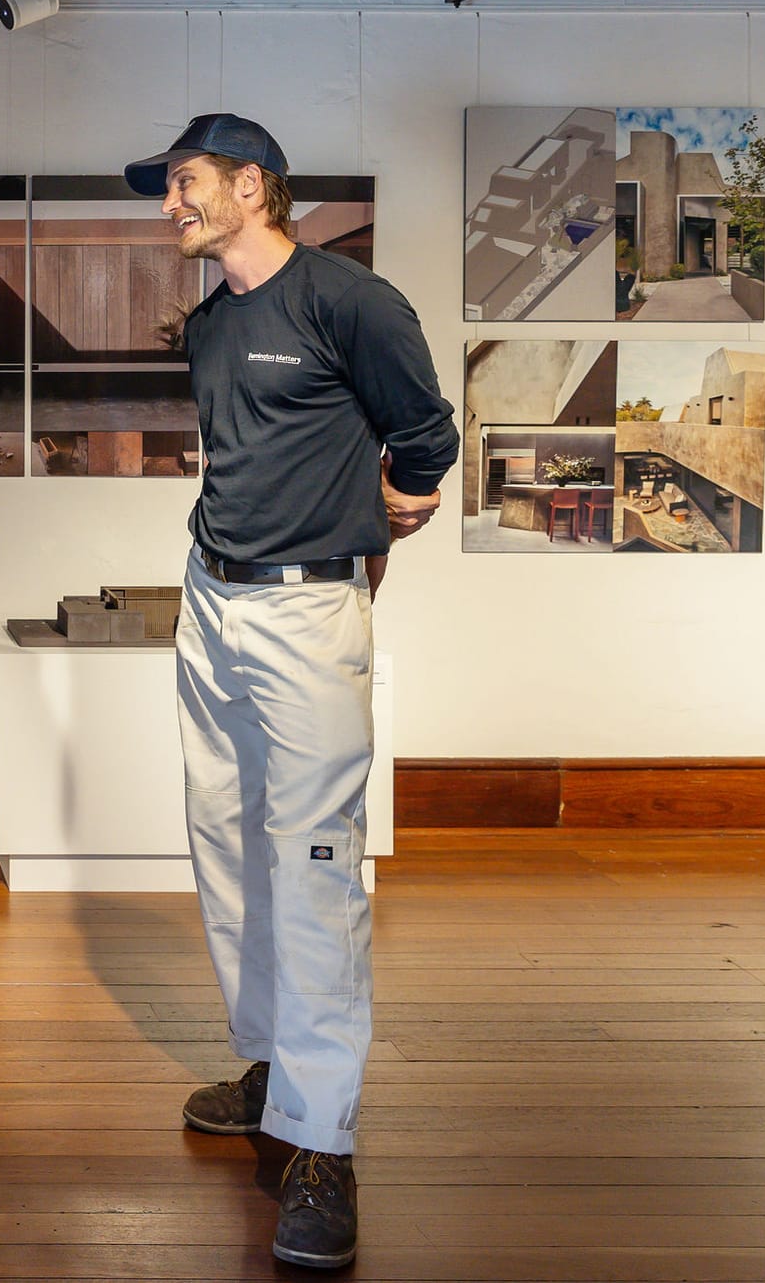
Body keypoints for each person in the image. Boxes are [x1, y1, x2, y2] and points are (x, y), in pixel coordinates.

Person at [123, 115, 459, 1268]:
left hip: (306, 615)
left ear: (250, 186)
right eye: (167, 186)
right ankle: (271, 1067)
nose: (168, 203)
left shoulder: (349, 302)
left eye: (183, 181)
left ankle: (321, 1140)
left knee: (313, 868)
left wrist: (393, 510)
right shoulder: (212, 322)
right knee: (226, 843)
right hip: (210, 598)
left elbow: (423, 434)